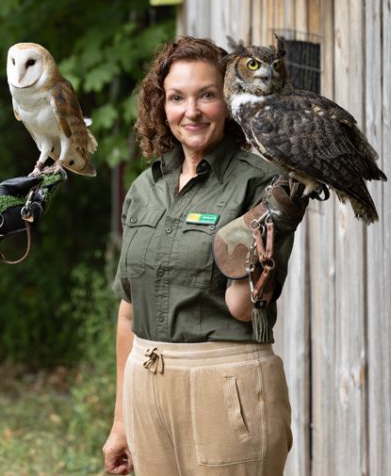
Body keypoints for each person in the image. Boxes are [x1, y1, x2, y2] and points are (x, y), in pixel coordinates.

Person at [101, 36, 308, 475]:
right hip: (147, 384)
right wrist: (121, 422)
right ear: (161, 106)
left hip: (225, 384)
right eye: (176, 98)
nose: (190, 111)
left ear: (229, 98)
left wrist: (264, 234)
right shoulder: (146, 189)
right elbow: (127, 311)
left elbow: (241, 308)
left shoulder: (263, 184)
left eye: (206, 96)